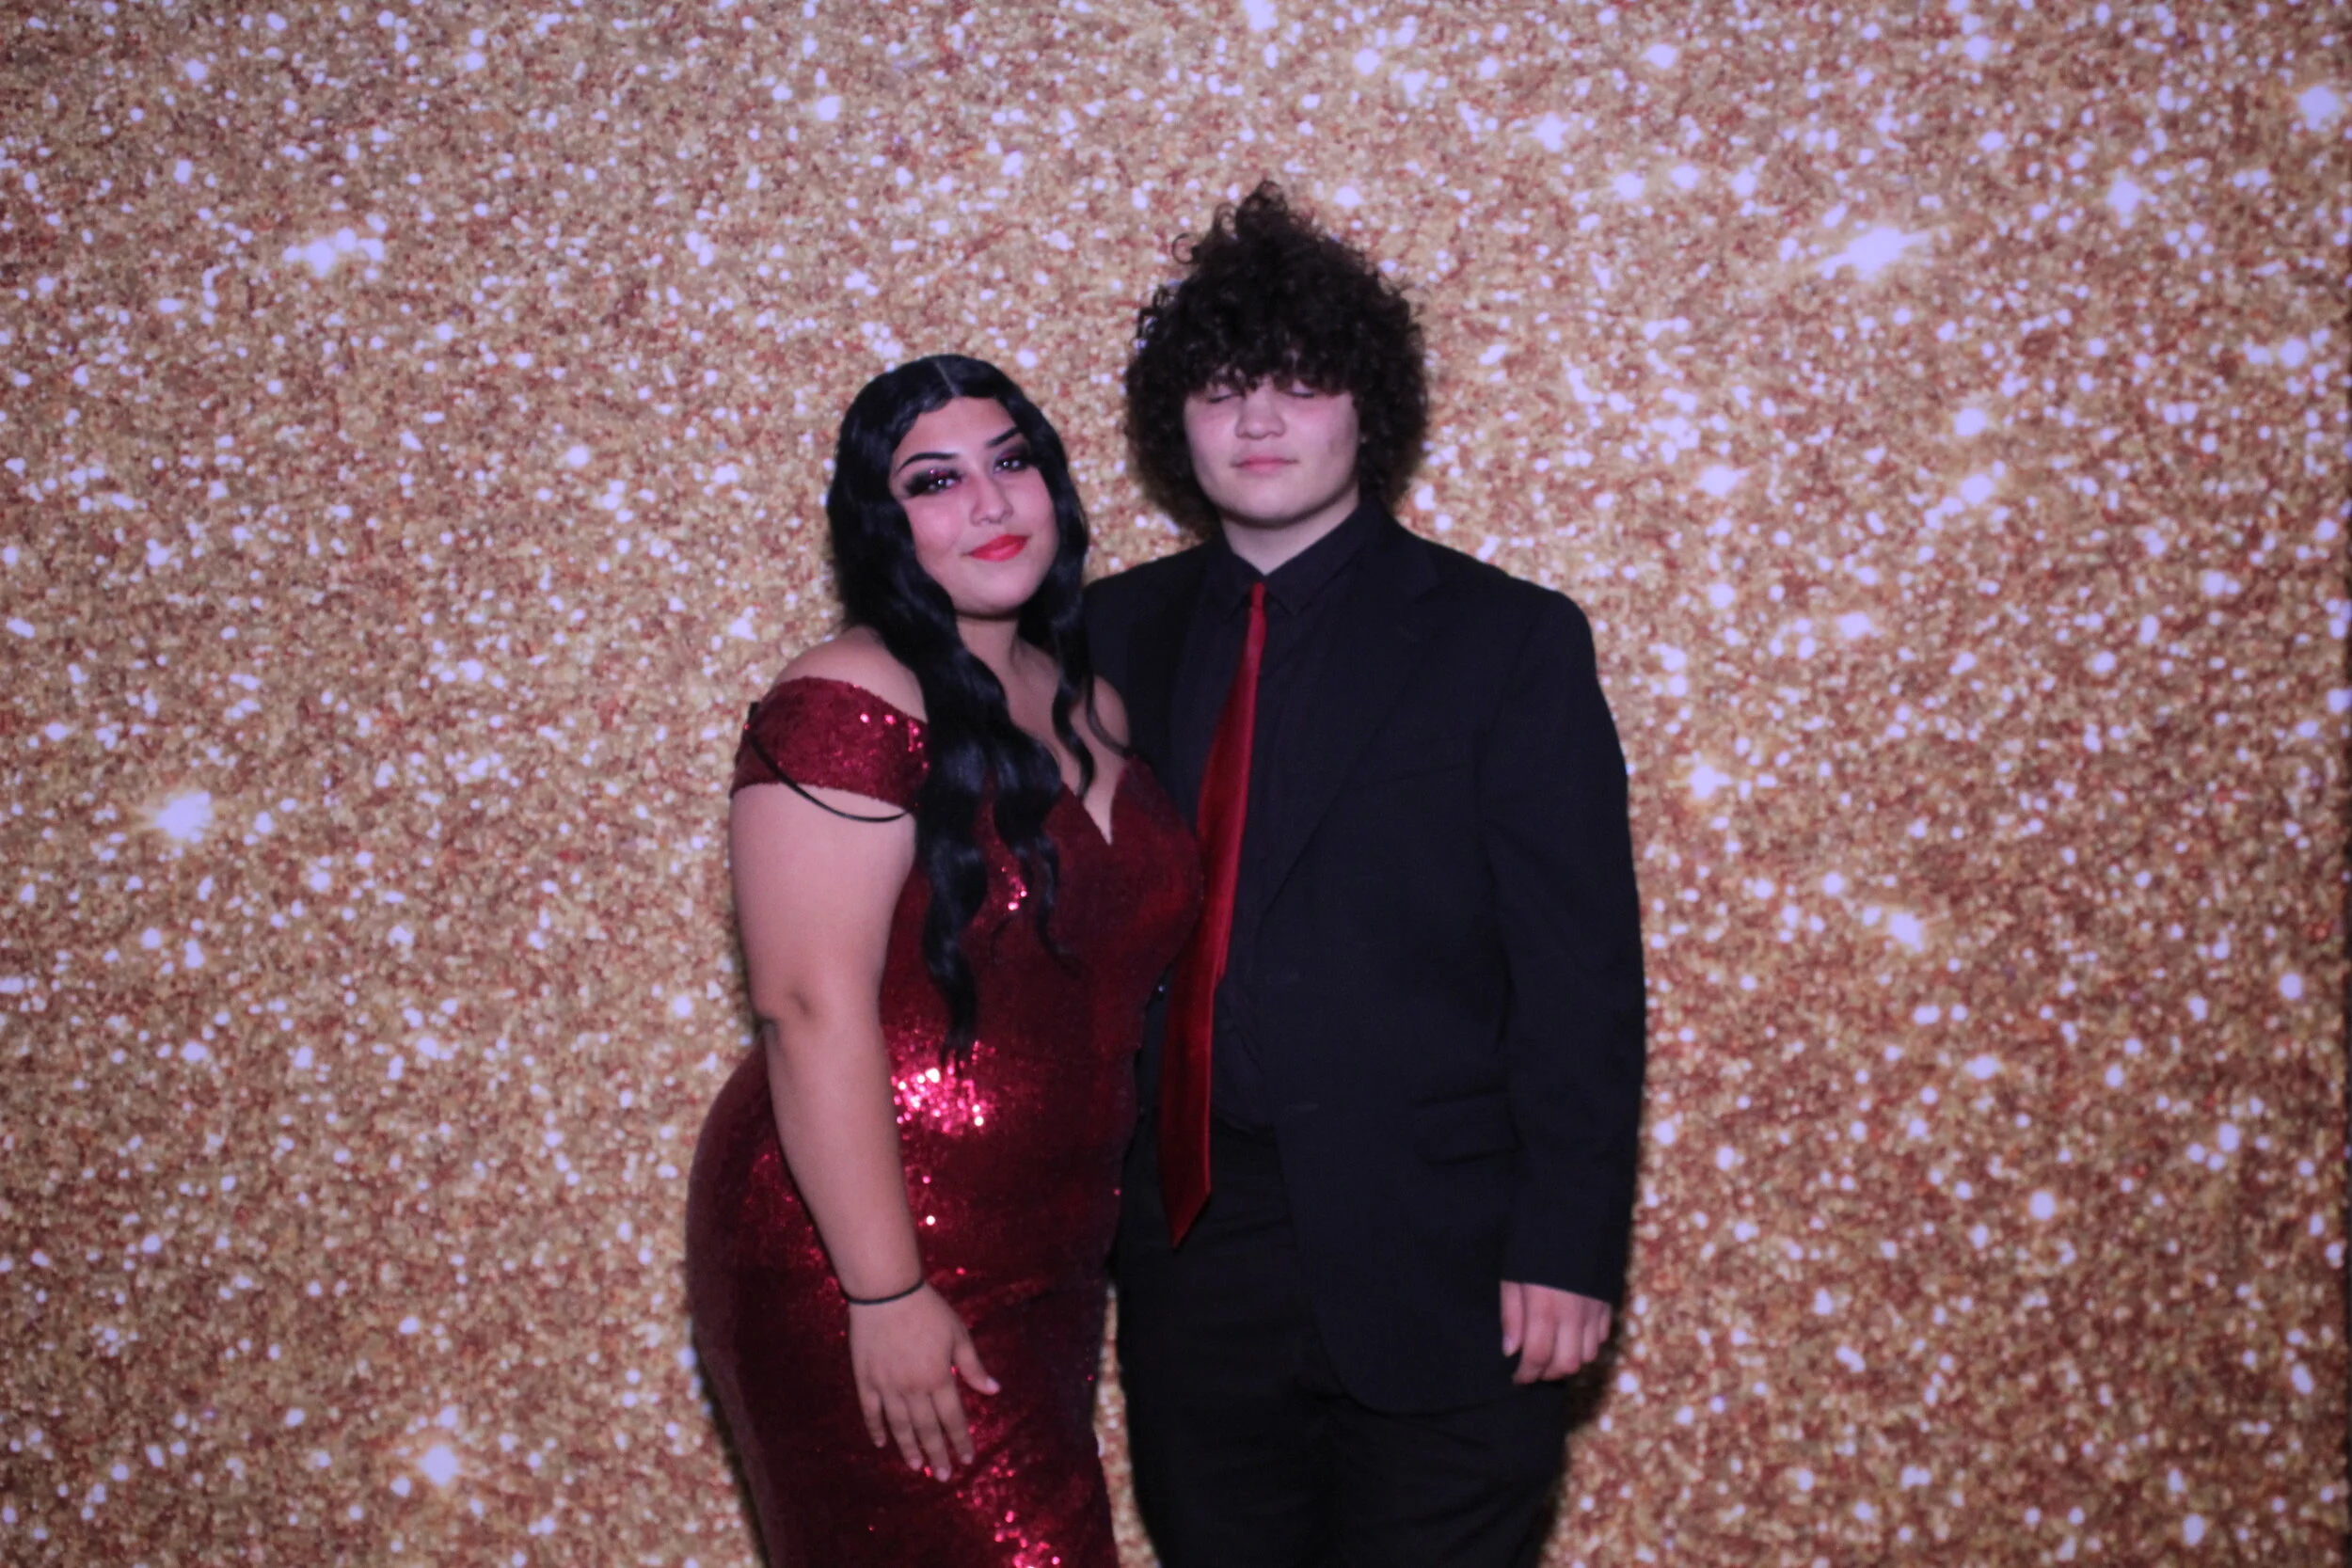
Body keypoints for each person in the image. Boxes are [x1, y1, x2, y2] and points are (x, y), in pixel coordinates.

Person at [1085, 184, 1647, 1567]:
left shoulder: (1507, 641)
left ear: (1368, 408)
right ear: (1175, 424)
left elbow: (1579, 974)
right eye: (1223, 388)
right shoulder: (1106, 635)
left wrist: (1569, 1242)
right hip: (1194, 1264)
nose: (1259, 421)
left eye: (1300, 381)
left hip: (1453, 1263)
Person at [684, 355, 1201, 1567]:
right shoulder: (848, 693)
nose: (990, 501)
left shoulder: (1088, 703)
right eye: (934, 480)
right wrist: (882, 1291)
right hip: (865, 1244)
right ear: (881, 524)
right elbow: (805, 1003)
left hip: (1052, 1250)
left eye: (1012, 462)